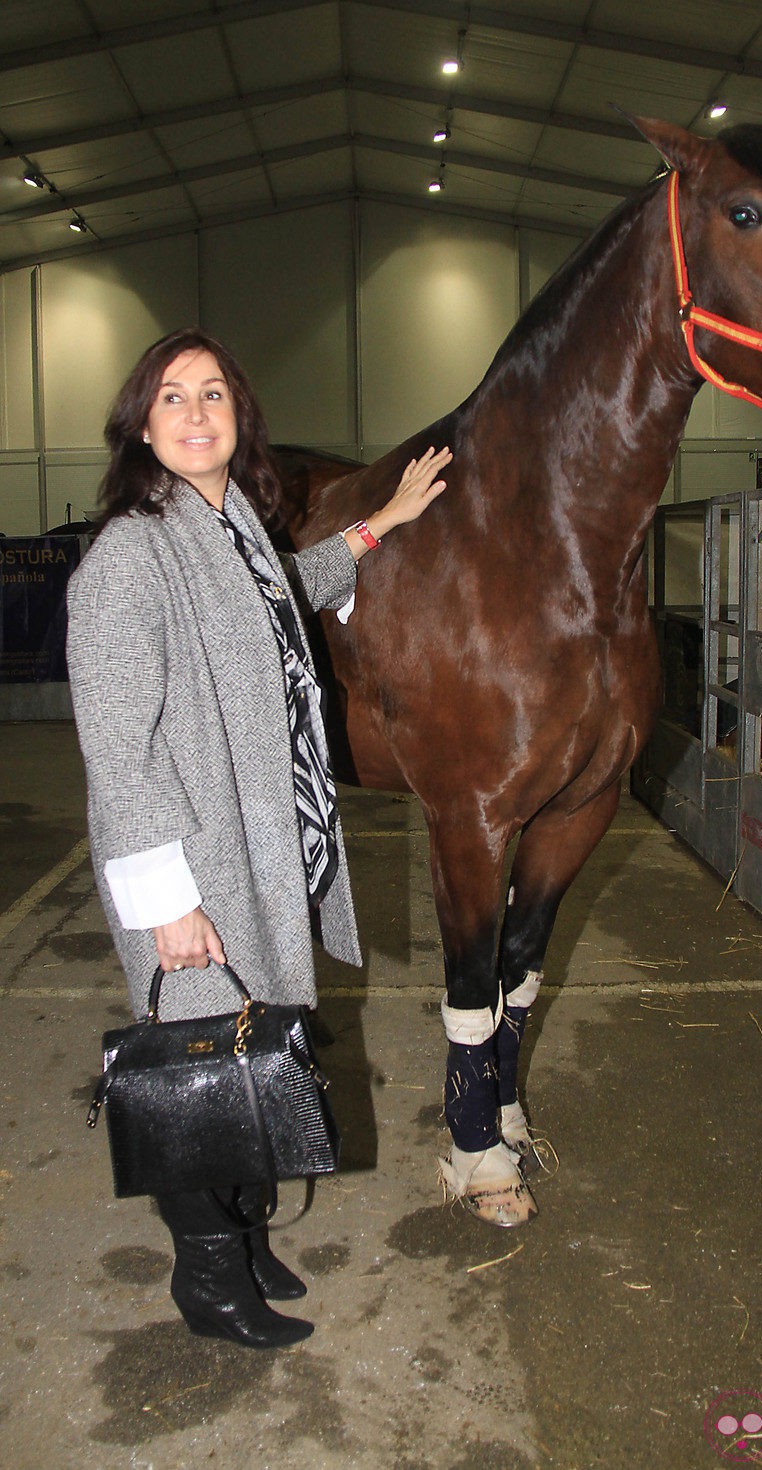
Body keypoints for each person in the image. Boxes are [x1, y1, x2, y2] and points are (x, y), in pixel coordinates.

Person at [67, 327, 451, 1349]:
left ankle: (240, 1238)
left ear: (239, 420)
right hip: (191, 866)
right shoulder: (128, 556)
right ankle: (207, 1278)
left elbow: (296, 584)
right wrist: (165, 903)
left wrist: (385, 523)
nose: (196, 415)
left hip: (260, 849)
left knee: (245, 1055)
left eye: (213, 396)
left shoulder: (232, 524)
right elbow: (117, 747)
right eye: (173, 399)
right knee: (199, 1071)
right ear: (142, 428)